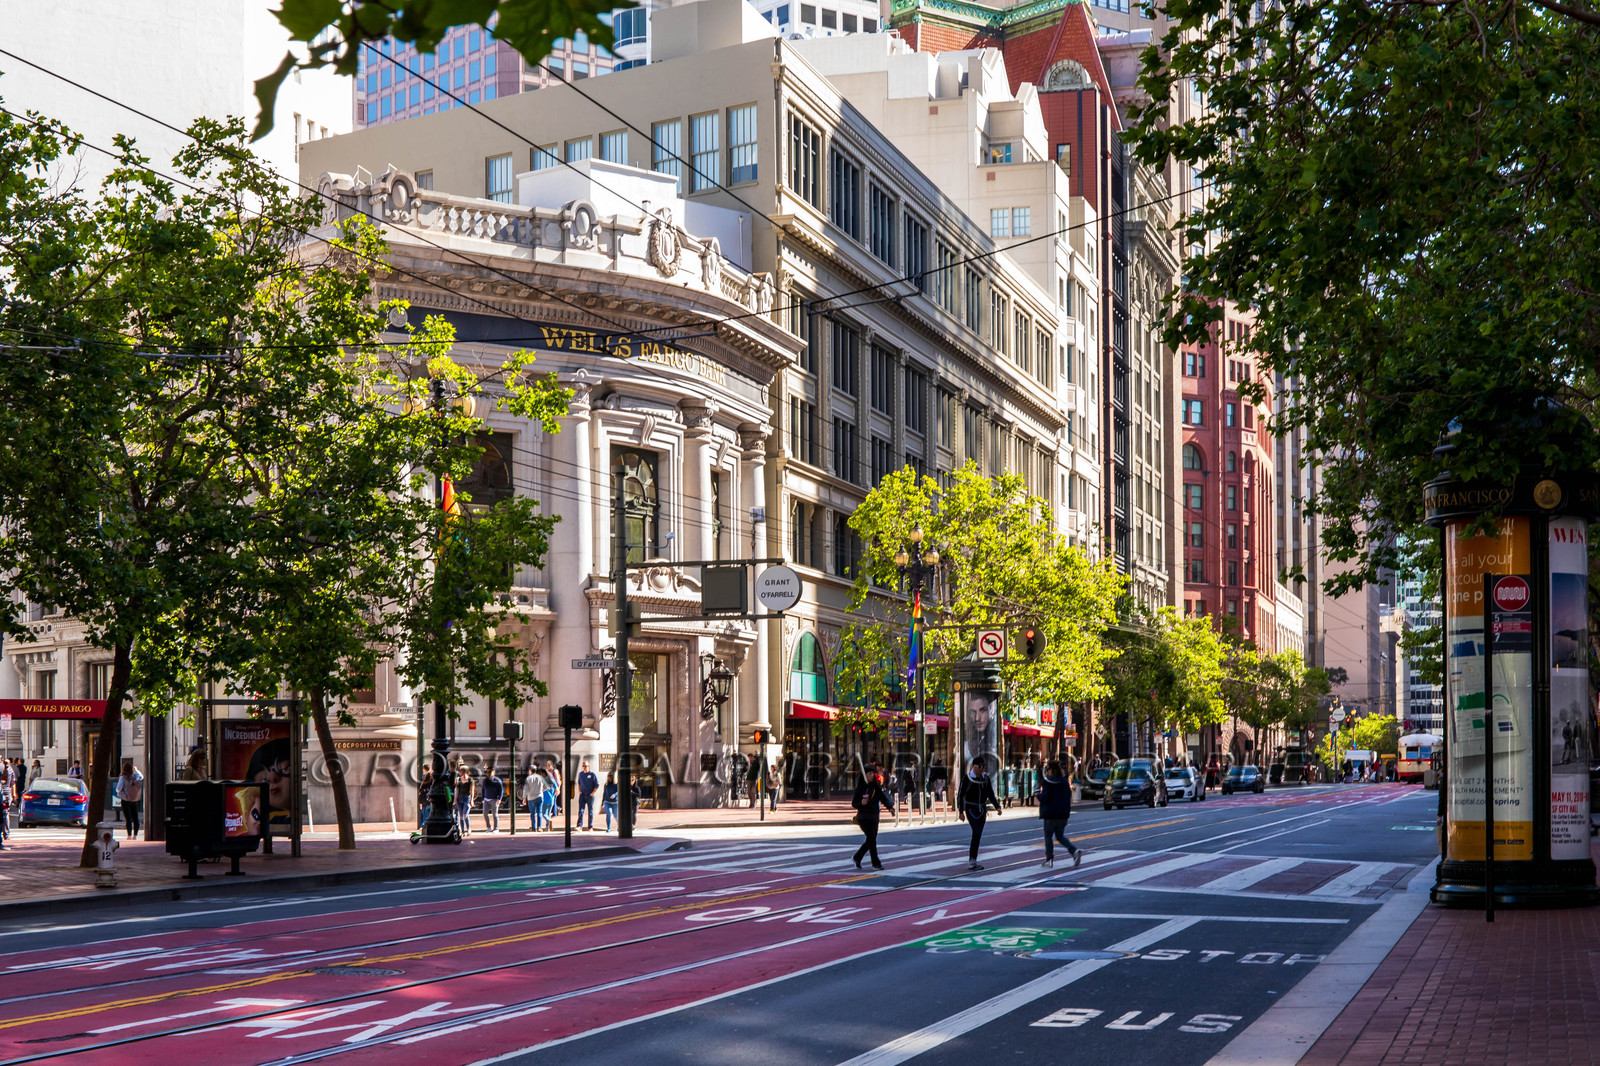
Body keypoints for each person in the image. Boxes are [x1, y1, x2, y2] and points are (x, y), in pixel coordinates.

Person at [957, 757, 1002, 870]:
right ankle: (972, 860)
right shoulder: (967, 778)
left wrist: (997, 807)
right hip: (971, 808)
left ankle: (974, 859)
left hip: (982, 809)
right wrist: (960, 811)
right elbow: (961, 795)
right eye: (979, 766)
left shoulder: (985, 779)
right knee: (976, 832)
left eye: (983, 766)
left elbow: (990, 794)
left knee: (978, 835)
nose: (981, 769)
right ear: (974, 766)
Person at [1037, 759, 1081, 868]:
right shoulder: (1064, 781)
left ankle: (1049, 860)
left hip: (1050, 814)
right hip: (1063, 814)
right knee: (1060, 836)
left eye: (1048, 769)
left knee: (1048, 837)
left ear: (1051, 770)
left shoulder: (1049, 781)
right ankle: (1073, 851)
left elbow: (1045, 797)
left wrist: (1038, 795)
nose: (1047, 772)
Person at [851, 767, 895, 869]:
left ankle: (857, 857)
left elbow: (883, 798)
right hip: (863, 817)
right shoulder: (861, 788)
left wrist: (890, 808)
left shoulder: (875, 787)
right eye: (869, 773)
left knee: (871, 840)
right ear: (865, 775)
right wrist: (861, 803)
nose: (872, 775)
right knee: (872, 839)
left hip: (874, 817)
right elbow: (854, 803)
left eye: (872, 773)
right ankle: (876, 863)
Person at [114, 759, 145, 839]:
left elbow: (119, 788)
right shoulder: (134, 776)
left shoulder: (122, 777)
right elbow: (141, 777)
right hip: (134, 799)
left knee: (128, 818)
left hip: (125, 800)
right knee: (135, 818)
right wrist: (136, 770)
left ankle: (129, 835)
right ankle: (135, 835)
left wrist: (119, 792)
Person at [525, 764, 549, 831]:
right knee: (539, 812)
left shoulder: (528, 778)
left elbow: (526, 789)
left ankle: (533, 827)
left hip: (531, 797)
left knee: (532, 813)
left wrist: (524, 798)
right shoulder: (540, 777)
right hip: (539, 796)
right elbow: (546, 787)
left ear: (530, 771)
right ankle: (539, 827)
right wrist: (541, 790)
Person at [576, 760, 599, 830]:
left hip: (590, 795)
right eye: (583, 766)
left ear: (588, 766)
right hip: (582, 795)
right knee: (581, 810)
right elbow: (579, 783)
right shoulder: (580, 774)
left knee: (590, 811)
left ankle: (590, 826)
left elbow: (597, 785)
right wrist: (579, 791)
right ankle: (579, 826)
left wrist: (592, 793)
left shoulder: (592, 774)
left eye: (585, 766)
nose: (584, 767)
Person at [481, 767, 504, 833]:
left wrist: (499, 798)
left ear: (493, 772)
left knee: (495, 814)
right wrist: (483, 798)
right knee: (485, 813)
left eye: (489, 772)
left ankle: (496, 828)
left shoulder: (497, 780)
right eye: (487, 772)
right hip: (486, 799)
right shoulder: (485, 780)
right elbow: (483, 789)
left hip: (494, 799)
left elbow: (501, 790)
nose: (488, 773)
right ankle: (489, 827)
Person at [453, 764, 474, 836]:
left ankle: (468, 829)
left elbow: (472, 791)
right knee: (461, 815)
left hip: (466, 798)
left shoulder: (470, 780)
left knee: (465, 814)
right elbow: (456, 789)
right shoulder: (458, 779)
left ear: (465, 771)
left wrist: (471, 800)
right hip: (459, 798)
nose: (459, 772)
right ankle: (463, 831)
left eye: (461, 771)